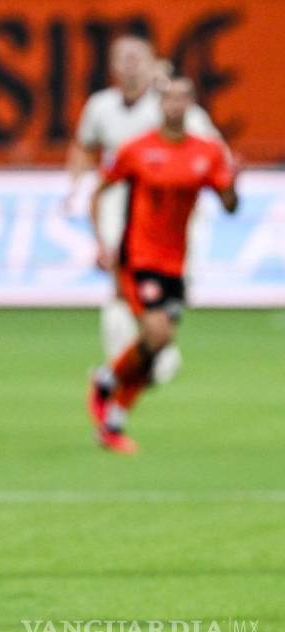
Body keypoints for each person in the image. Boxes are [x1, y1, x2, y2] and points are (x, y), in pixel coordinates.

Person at [88, 77, 237, 453]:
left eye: (182, 98)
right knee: (157, 336)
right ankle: (106, 381)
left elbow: (229, 205)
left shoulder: (207, 152)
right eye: (169, 98)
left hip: (175, 264)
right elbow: (99, 191)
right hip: (139, 258)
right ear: (160, 104)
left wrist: (233, 185)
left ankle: (113, 412)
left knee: (155, 346)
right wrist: (101, 244)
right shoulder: (137, 149)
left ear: (191, 104)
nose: (175, 105)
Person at [66, 34, 222, 386]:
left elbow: (210, 148)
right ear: (112, 66)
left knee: (169, 292)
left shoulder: (169, 105)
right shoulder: (101, 106)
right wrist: (74, 187)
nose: (129, 64)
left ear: (153, 63)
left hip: (169, 210)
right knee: (121, 285)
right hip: (121, 205)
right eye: (122, 57)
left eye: (137, 56)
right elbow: (84, 146)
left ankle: (151, 354)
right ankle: (125, 363)